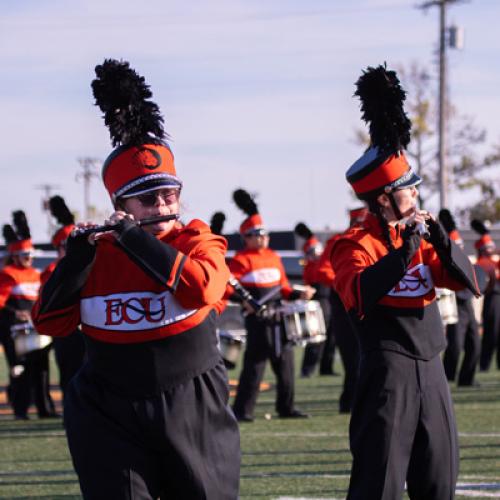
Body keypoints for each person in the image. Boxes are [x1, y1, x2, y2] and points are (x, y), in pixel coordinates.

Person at [32, 59, 240, 500]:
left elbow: (201, 287)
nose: (164, 206)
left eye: (170, 194)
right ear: (121, 202)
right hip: (108, 408)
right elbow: (49, 321)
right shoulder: (98, 252)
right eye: (148, 198)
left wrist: (133, 237)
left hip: (192, 402)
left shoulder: (197, 239)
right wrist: (74, 261)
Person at [331, 64, 479, 499]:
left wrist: (443, 243)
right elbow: (358, 295)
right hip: (386, 373)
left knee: (439, 481)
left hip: (432, 368)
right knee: (379, 486)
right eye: (407, 190)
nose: (416, 197)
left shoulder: (421, 238)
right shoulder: (351, 245)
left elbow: (473, 282)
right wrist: (403, 254)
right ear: (383, 198)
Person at [228, 188, 314, 422]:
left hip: (280, 317)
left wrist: (300, 294)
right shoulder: (240, 260)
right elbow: (229, 288)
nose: (264, 237)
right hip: (258, 319)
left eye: (265, 233)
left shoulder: (274, 257)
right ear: (246, 236)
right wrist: (245, 302)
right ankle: (242, 411)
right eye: (258, 233)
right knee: (255, 365)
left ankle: (286, 407)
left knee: (286, 363)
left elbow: (284, 287)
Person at [0, 211, 57, 419]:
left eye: (31, 255)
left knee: (42, 369)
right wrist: (17, 314)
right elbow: (1, 303)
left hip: (36, 327)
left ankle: (45, 409)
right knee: (19, 370)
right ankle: (20, 410)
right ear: (15, 256)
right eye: (25, 256)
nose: (29, 259)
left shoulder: (36, 274)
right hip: (15, 330)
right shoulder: (8, 274)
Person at [316, 207, 366, 413]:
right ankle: (349, 403)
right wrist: (346, 281)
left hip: (368, 305)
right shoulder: (338, 241)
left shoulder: (371, 239)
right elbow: (323, 270)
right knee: (353, 359)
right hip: (345, 305)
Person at [41, 195, 86, 397]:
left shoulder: (88, 264)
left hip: (88, 331)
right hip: (66, 331)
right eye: (65, 247)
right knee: (70, 376)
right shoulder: (51, 270)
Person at [440, 208, 481, 386]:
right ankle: (447, 377)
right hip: (455, 302)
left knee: (475, 345)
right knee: (455, 346)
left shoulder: (462, 254)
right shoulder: (444, 254)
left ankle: (466, 379)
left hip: (468, 303)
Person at [293, 222, 331, 377]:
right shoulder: (312, 265)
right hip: (318, 299)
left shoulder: (321, 261)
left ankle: (326, 368)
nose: (317, 253)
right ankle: (307, 370)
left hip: (328, 298)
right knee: (316, 335)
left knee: (331, 336)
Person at [471, 219, 500, 372]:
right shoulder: (482, 262)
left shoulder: (495, 261)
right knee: (491, 331)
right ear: (482, 249)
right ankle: (484, 364)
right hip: (493, 297)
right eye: (488, 247)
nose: (492, 248)